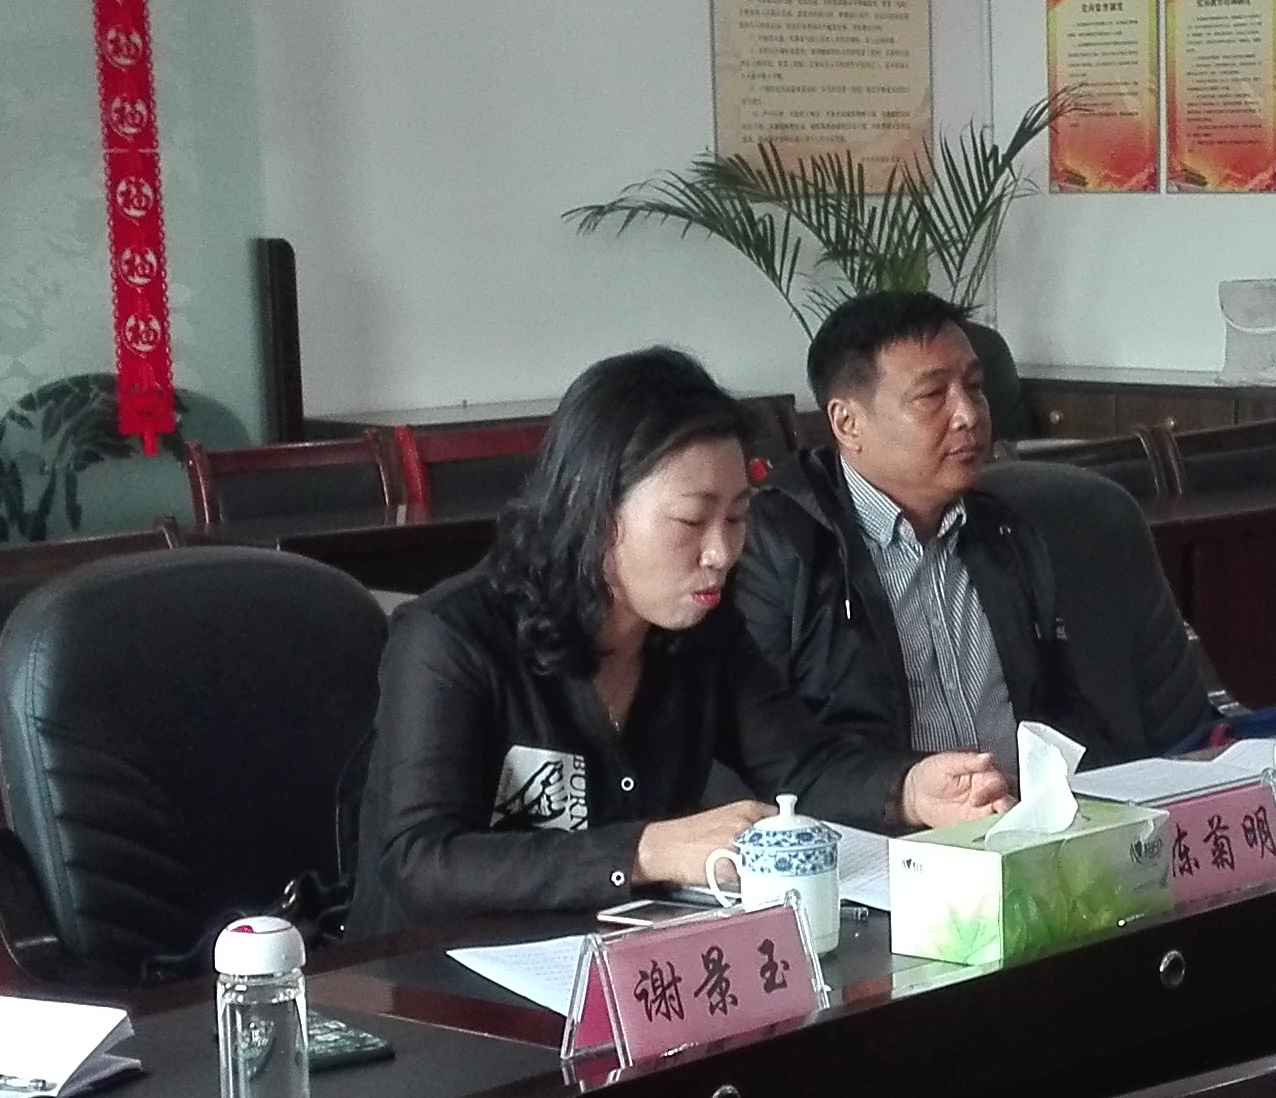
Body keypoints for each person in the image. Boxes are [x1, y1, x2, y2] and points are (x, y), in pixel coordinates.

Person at [354, 345, 1012, 934]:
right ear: (592, 507)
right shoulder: (449, 640)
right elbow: (422, 861)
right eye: (691, 521)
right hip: (429, 985)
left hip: (626, 962)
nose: (722, 553)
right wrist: (646, 849)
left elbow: (802, 765)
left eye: (738, 518)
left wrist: (910, 788)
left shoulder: (700, 630)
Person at [733, 288, 1211, 771]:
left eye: (975, 386)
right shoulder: (777, 546)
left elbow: (1059, 711)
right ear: (848, 423)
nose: (968, 415)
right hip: (886, 814)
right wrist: (902, 795)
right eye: (932, 395)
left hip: (1028, 809)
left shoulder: (1005, 531)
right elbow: (765, 754)